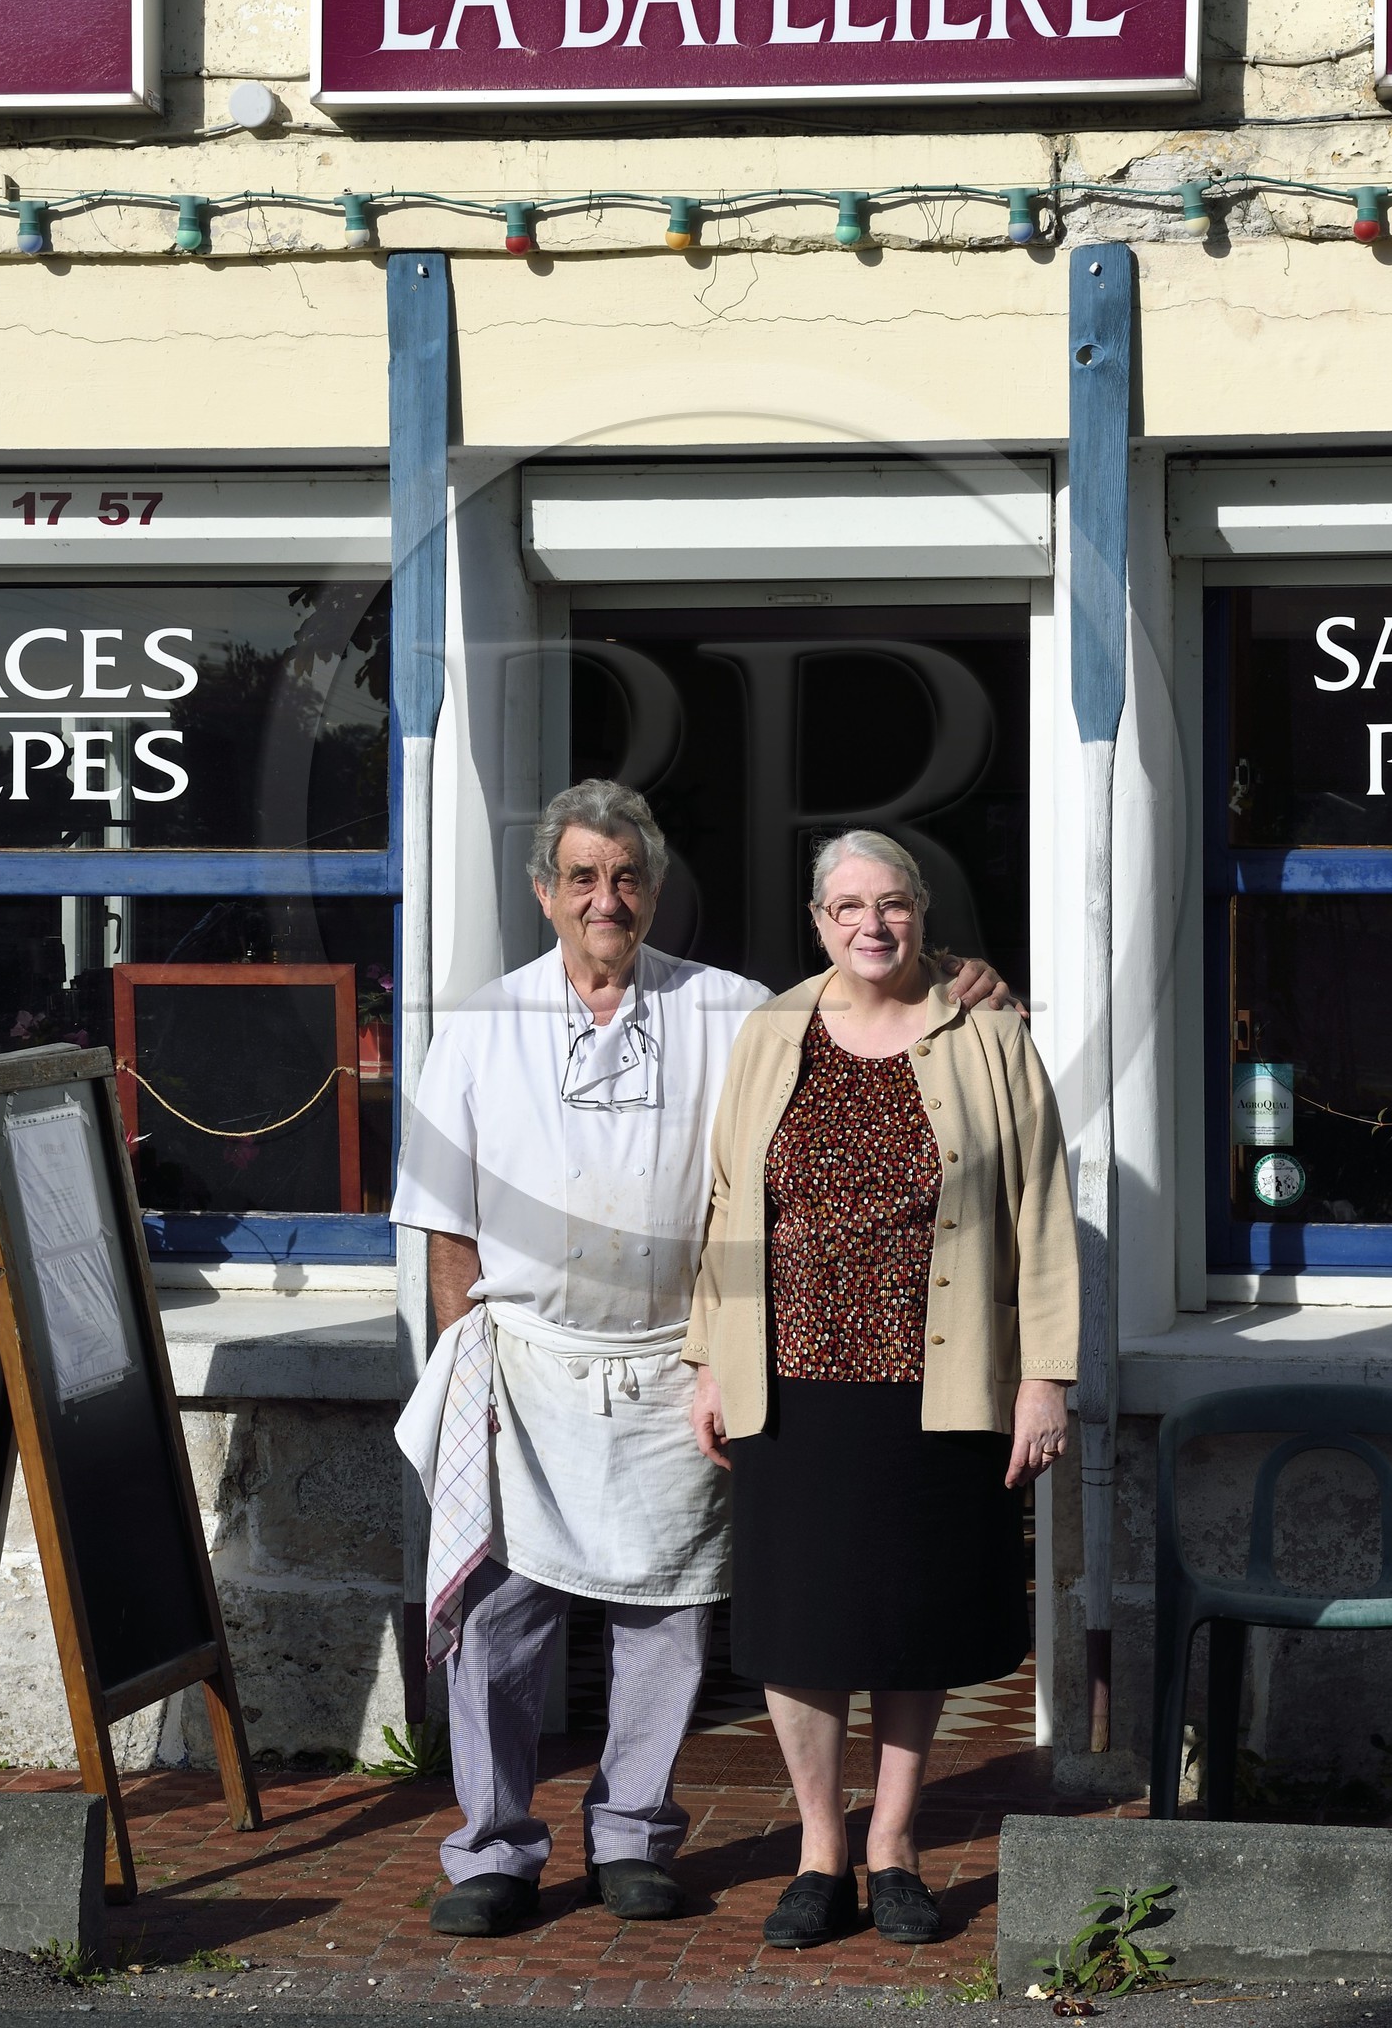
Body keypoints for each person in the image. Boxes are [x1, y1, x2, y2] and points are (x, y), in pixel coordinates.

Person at [390, 780, 1014, 1940]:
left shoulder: (731, 1010)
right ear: (543, 893)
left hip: (675, 1366)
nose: (606, 899)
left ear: (657, 889)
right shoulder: (477, 1027)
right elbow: (441, 1224)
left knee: (666, 1620)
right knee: (501, 1621)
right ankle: (493, 1848)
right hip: (522, 1364)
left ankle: (633, 1837)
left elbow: (866, 997)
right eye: (582, 878)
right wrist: (460, 1365)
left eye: (626, 877)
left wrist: (962, 975)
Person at [684, 828, 1079, 1950]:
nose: (872, 924)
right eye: (848, 906)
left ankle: (894, 1844)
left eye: (892, 903)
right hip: (788, 1378)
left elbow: (1042, 1211)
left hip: (937, 1379)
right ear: (817, 921)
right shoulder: (773, 1031)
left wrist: (1043, 1377)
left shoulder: (987, 1031)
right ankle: (820, 1852)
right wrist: (709, 1358)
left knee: (917, 1617)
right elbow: (728, 1200)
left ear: (921, 912)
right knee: (798, 1625)